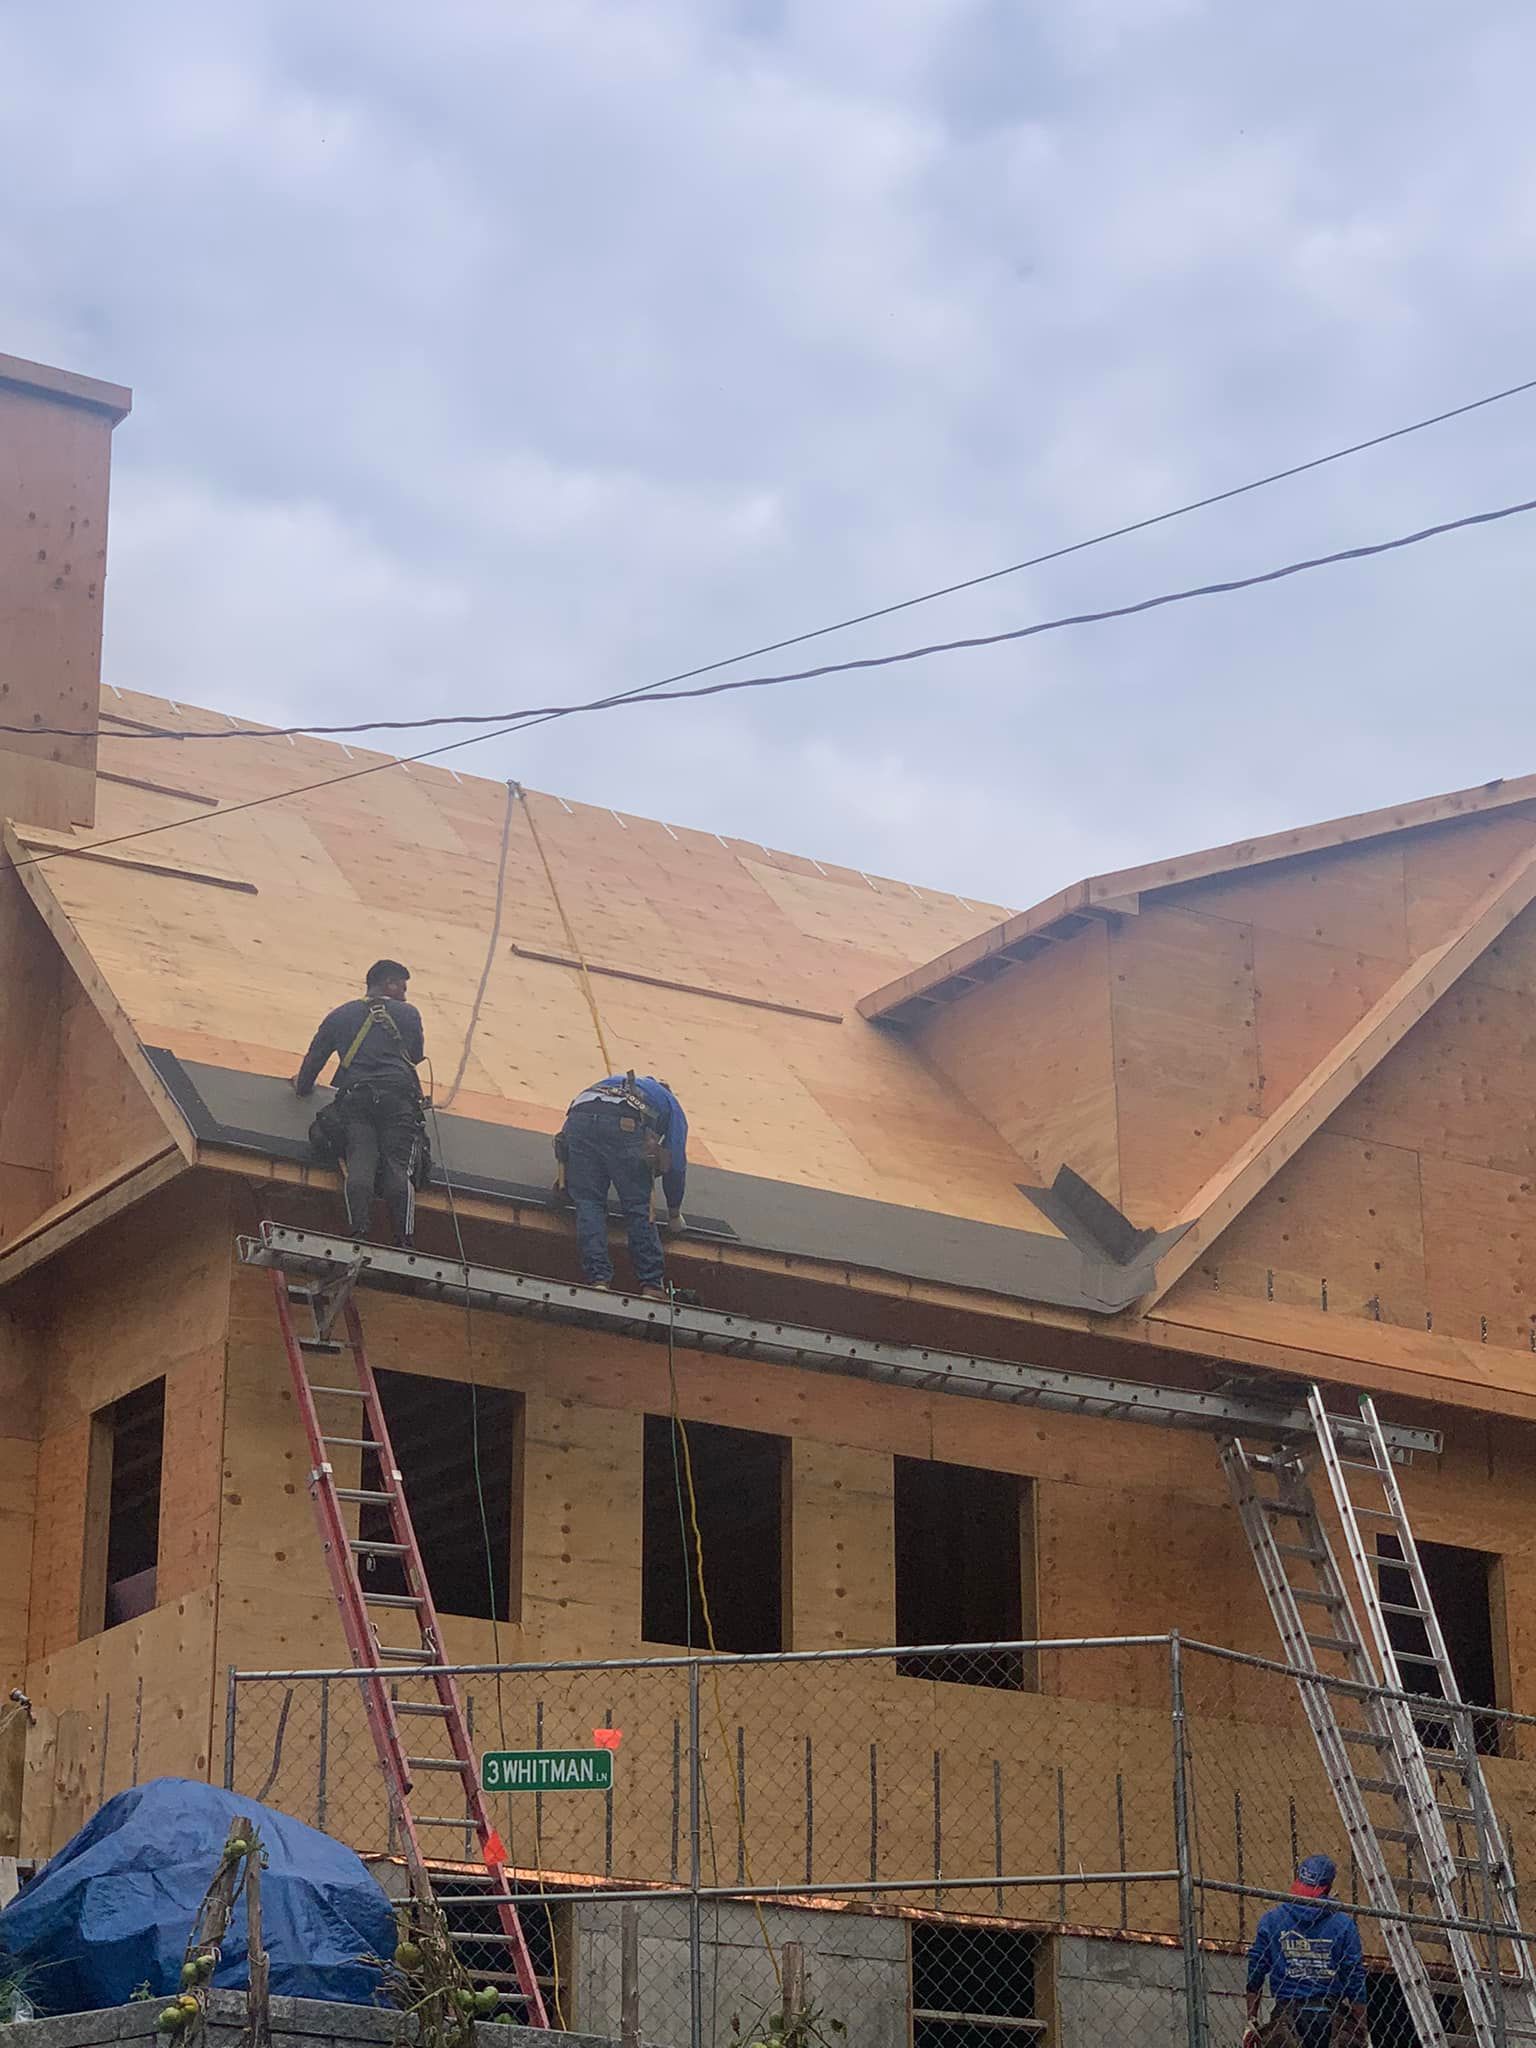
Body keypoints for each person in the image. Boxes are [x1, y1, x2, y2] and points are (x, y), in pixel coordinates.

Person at [293, 959, 427, 1248]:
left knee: (360, 1163)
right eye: (402, 988)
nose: (404, 995)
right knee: (397, 1167)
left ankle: (359, 1231)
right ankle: (404, 1240)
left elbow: (314, 1059)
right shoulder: (408, 1013)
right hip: (398, 1099)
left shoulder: (340, 1015)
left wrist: (301, 1088)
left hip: (357, 1098)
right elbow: (415, 1056)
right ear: (389, 983)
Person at [555, 1072, 688, 1298]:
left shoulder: (608, 1083)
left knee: (589, 1202)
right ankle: (651, 1286)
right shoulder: (671, 1104)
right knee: (638, 1206)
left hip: (579, 1116)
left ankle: (598, 1280)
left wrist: (565, 1178)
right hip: (624, 1121)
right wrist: (674, 1213)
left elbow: (566, 1136)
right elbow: (674, 1163)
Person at [1245, 1855, 1368, 2047]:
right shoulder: (1343, 1924)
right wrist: (1361, 2026)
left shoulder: (1272, 1920)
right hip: (1331, 2014)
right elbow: (1354, 1978)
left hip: (1287, 2011)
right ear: (1328, 1887)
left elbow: (1256, 1972)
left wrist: (1251, 2019)